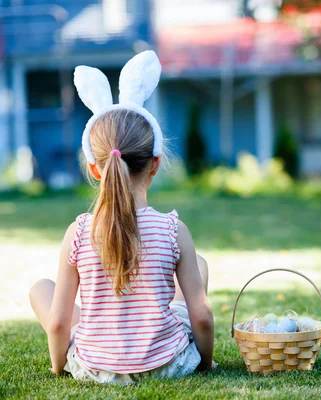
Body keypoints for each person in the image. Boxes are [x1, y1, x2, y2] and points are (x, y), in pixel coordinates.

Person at [28, 51, 214, 383]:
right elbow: (201, 316)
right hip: (167, 364)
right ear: (155, 163)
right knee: (197, 264)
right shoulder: (173, 230)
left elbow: (57, 323)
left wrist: (61, 366)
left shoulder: (79, 231)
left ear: (94, 169)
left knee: (42, 289)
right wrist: (203, 362)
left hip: (96, 368)